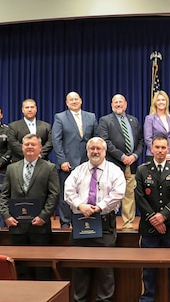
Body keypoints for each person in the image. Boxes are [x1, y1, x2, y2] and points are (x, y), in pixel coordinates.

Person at [65, 137, 125, 302]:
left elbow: (118, 193)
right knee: (79, 269)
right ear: (87, 150)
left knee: (104, 270)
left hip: (104, 222)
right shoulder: (78, 170)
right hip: (81, 221)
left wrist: (99, 207)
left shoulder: (115, 171)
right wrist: (80, 205)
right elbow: (68, 191)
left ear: (105, 151)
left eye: (99, 149)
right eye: (92, 148)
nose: (95, 151)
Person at [135, 135, 170, 302]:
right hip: (149, 228)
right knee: (148, 269)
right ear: (152, 148)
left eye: (163, 147)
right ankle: (146, 299)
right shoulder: (142, 170)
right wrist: (153, 218)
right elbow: (140, 198)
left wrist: (163, 216)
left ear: (168, 149)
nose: (160, 151)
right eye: (157, 147)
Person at [0, 134, 59, 279]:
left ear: (40, 148)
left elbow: (54, 195)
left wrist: (43, 217)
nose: (30, 147)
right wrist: (6, 216)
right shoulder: (12, 168)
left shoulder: (49, 168)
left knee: (41, 270)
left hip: (39, 227)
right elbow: (4, 195)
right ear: (22, 147)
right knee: (20, 270)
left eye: (33, 144)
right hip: (17, 226)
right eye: (27, 144)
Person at [97, 94, 144, 230]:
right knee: (109, 194)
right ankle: (107, 225)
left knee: (129, 194)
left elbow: (140, 141)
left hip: (131, 164)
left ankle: (128, 224)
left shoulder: (133, 120)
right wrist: (122, 156)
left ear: (126, 104)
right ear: (112, 105)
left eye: (121, 102)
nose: (118, 104)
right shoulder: (105, 120)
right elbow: (105, 141)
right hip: (114, 164)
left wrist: (134, 155)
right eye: (116, 102)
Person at [53, 92, 97, 228]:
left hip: (87, 163)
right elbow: (56, 140)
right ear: (67, 103)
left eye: (76, 99)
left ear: (81, 101)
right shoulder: (60, 117)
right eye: (71, 100)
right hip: (68, 163)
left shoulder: (91, 116)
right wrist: (62, 161)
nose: (74, 101)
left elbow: (96, 139)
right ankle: (65, 223)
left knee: (85, 193)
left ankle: (83, 223)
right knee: (67, 194)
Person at [9, 98, 53, 163]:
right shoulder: (13, 126)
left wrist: (39, 154)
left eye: (32, 107)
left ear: (36, 109)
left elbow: (50, 142)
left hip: (41, 162)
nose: (30, 109)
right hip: (19, 163)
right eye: (27, 107)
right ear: (22, 110)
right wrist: (29, 155)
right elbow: (13, 143)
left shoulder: (46, 126)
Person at [143, 90, 170, 162]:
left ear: (166, 102)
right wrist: (161, 153)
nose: (161, 102)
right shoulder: (150, 118)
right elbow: (148, 139)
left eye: (163, 100)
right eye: (158, 100)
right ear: (155, 103)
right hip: (154, 156)